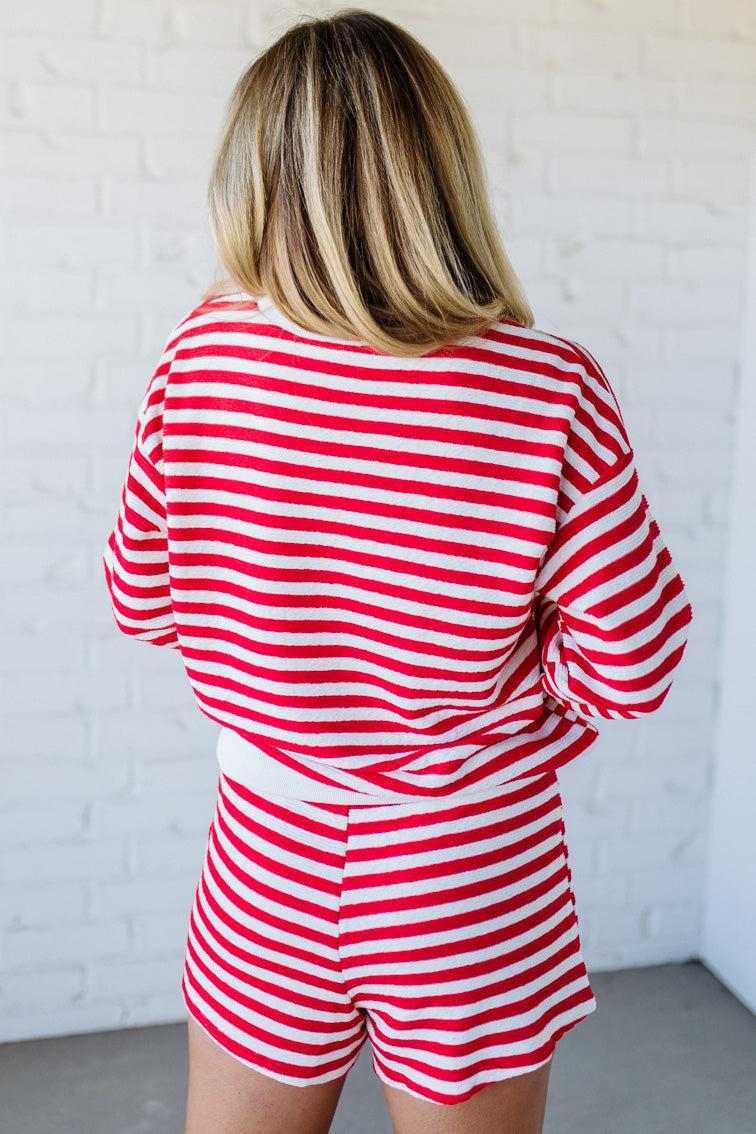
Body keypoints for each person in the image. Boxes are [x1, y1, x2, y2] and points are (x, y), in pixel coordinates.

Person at [103, 9, 693, 1133]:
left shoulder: (199, 358)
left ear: (255, 179)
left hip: (266, 853)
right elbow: (631, 669)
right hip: (471, 869)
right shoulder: (546, 387)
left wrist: (285, 658)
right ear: (442, 171)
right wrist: (495, 709)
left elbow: (142, 598)